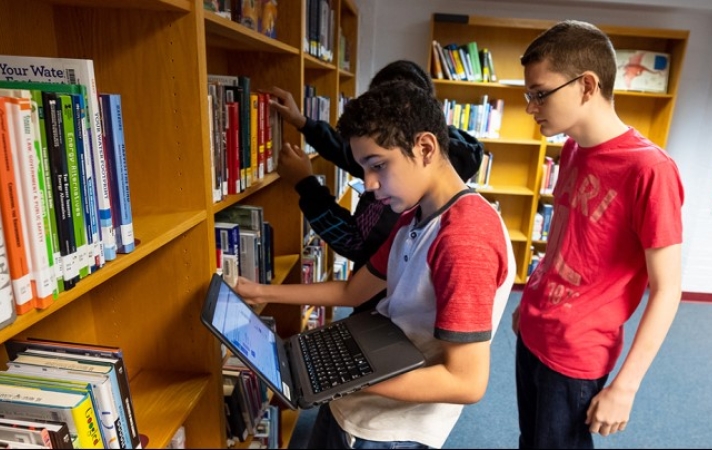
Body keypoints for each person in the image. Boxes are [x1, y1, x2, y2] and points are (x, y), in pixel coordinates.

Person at [235, 80, 515, 449]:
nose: (368, 184)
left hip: (389, 430)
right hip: (360, 399)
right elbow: (355, 289)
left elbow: (466, 382)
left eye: (378, 165)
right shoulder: (415, 213)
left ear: (426, 148)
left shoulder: (465, 239)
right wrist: (260, 291)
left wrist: (338, 375)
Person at [513, 20, 684, 449]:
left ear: (586, 86)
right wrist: (532, 296)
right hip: (536, 325)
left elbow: (668, 289)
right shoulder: (572, 147)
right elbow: (567, 240)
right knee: (529, 441)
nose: (531, 107)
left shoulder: (650, 170)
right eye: (528, 95)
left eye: (539, 93)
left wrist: (626, 386)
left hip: (578, 349)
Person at [270, 60, 484, 313]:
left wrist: (306, 185)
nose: (369, 182)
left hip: (380, 311)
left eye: (378, 165)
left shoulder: (417, 207)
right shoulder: (421, 179)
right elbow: (353, 154)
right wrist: (303, 123)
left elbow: (356, 244)